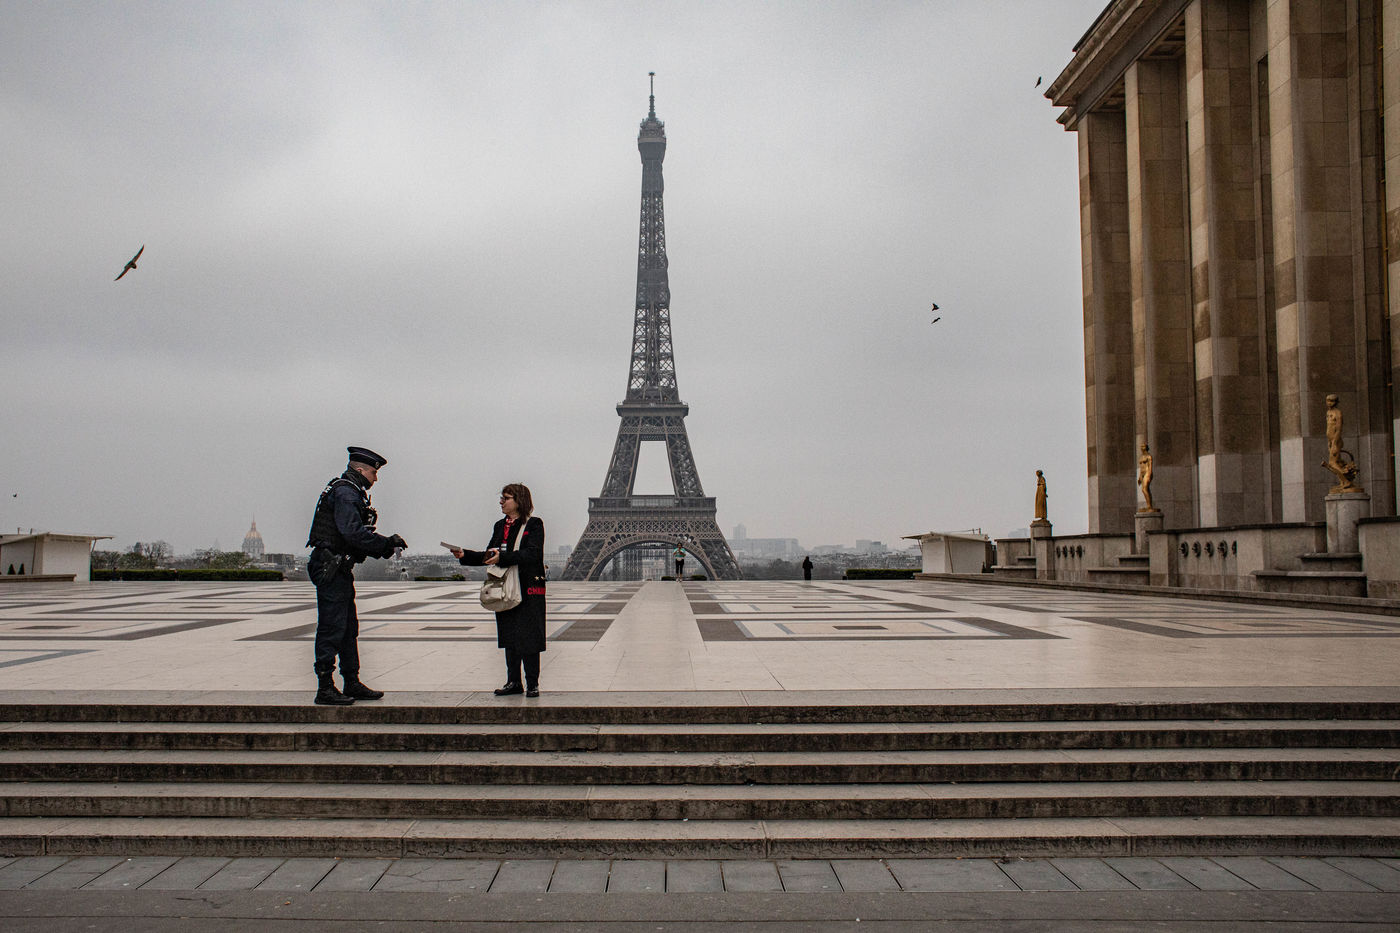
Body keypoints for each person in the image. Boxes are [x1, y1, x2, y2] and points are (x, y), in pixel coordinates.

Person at [305, 446, 407, 706]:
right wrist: (386, 544)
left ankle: (351, 681)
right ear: (360, 469)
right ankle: (325, 687)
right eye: (373, 472)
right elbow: (352, 533)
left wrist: (382, 545)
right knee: (332, 627)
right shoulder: (346, 493)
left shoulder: (349, 491)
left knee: (347, 627)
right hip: (331, 567)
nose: (376, 478)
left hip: (337, 567)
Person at [451, 483, 547, 697]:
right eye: (502, 498)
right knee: (510, 635)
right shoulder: (499, 526)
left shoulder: (534, 524)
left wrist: (502, 557)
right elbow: (490, 555)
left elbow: (533, 554)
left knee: (529, 636)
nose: (501, 502)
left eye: (506, 498)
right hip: (504, 587)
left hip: (527, 588)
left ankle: (532, 683)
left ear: (519, 501)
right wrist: (465, 555)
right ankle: (514, 681)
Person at [1137, 444, 1154, 512]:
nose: (1142, 447)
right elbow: (1141, 468)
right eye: (1141, 446)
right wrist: (1140, 477)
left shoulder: (1149, 456)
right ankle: (1149, 505)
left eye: (1143, 446)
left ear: (1146, 448)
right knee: (1147, 489)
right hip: (1143, 473)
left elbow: (1150, 466)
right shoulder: (1141, 457)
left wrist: (1149, 474)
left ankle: (1149, 506)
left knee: (1144, 489)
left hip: (1147, 473)